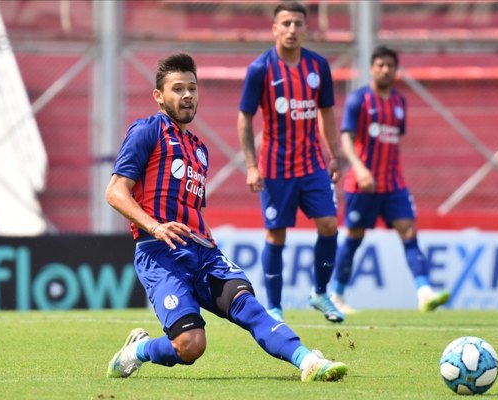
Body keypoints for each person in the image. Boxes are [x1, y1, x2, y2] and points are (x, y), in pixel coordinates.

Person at [104, 53, 347, 382]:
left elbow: (192, 209)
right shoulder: (147, 131)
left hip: (204, 252)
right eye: (177, 89)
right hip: (159, 254)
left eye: (192, 88)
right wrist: (155, 225)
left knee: (248, 306)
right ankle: (138, 350)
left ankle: (307, 361)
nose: (187, 95)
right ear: (159, 96)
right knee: (190, 346)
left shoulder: (199, 150)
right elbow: (115, 191)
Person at [237, 1, 344, 324]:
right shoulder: (261, 69)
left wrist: (333, 155)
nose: (292, 30)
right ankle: (275, 307)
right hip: (275, 168)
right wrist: (252, 166)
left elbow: (326, 112)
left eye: (298, 24)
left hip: (312, 165)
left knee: (329, 225)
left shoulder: (318, 66)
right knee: (276, 235)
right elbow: (244, 118)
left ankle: (320, 293)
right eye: (285, 24)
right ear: (274, 29)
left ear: (306, 28)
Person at [330, 45, 450, 314]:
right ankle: (336, 294)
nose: (385, 70)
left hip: (393, 184)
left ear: (396, 70)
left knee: (408, 231)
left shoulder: (399, 103)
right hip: (361, 184)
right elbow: (347, 139)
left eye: (390, 66)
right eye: (380, 65)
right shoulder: (358, 100)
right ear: (372, 68)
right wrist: (359, 169)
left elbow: (393, 139)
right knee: (354, 238)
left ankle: (424, 292)